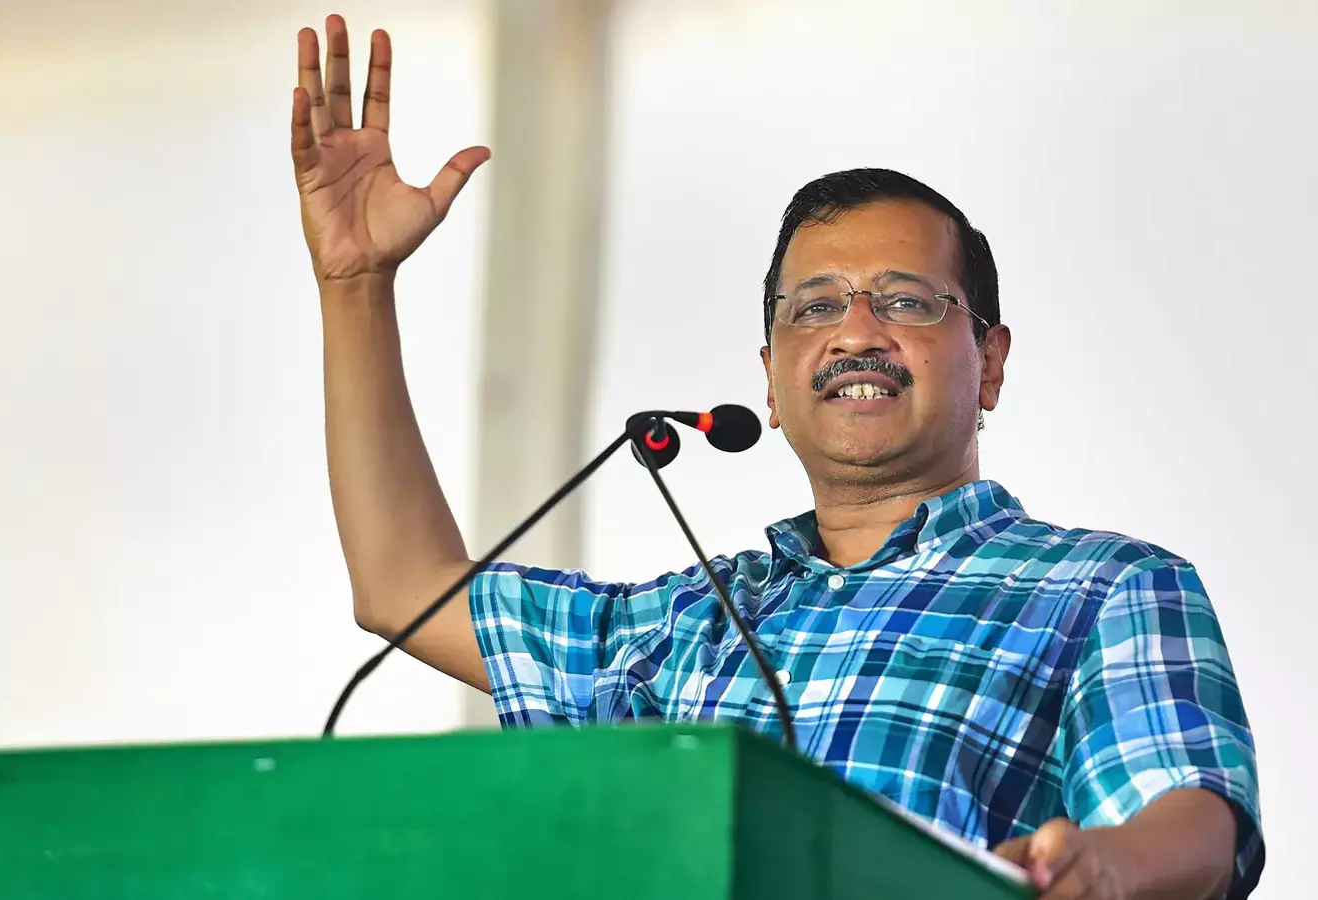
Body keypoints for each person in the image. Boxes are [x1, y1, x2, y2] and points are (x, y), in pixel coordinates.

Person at [293, 15, 1263, 900]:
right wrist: (355, 285)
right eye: (815, 306)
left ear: (991, 362)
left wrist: (1104, 867)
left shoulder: (1102, 586)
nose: (856, 332)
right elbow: (404, 585)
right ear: (770, 380)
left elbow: (1192, 817)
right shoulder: (688, 623)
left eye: (907, 300)